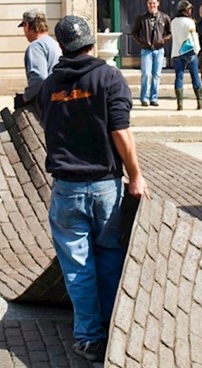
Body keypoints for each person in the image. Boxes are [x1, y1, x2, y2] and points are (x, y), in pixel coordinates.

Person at [37, 15, 151, 363]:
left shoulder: (48, 86)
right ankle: (112, 326)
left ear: (61, 46)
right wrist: (136, 175)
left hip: (67, 188)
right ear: (91, 41)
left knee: (77, 266)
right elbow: (120, 132)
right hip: (104, 186)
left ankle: (89, 338)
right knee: (109, 257)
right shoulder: (109, 77)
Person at [15, 9, 62, 109]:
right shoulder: (55, 44)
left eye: (23, 26)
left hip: (46, 103)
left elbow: (39, 77)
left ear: (27, 25)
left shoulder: (36, 46)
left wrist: (25, 97)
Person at [131, 0, 171, 107]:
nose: (152, 5)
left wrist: (163, 41)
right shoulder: (141, 18)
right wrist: (141, 41)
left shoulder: (164, 17)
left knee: (156, 75)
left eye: (154, 3)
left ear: (158, 3)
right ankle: (144, 98)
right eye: (149, 3)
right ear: (147, 4)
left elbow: (170, 33)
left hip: (159, 50)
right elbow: (134, 32)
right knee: (146, 74)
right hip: (146, 50)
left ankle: (154, 98)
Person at [171, 0, 202, 110]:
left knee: (179, 77)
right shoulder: (189, 22)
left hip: (177, 52)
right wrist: (197, 50)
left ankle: (179, 103)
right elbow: (194, 37)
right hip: (189, 52)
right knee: (195, 77)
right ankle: (199, 101)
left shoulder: (173, 22)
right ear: (187, 10)